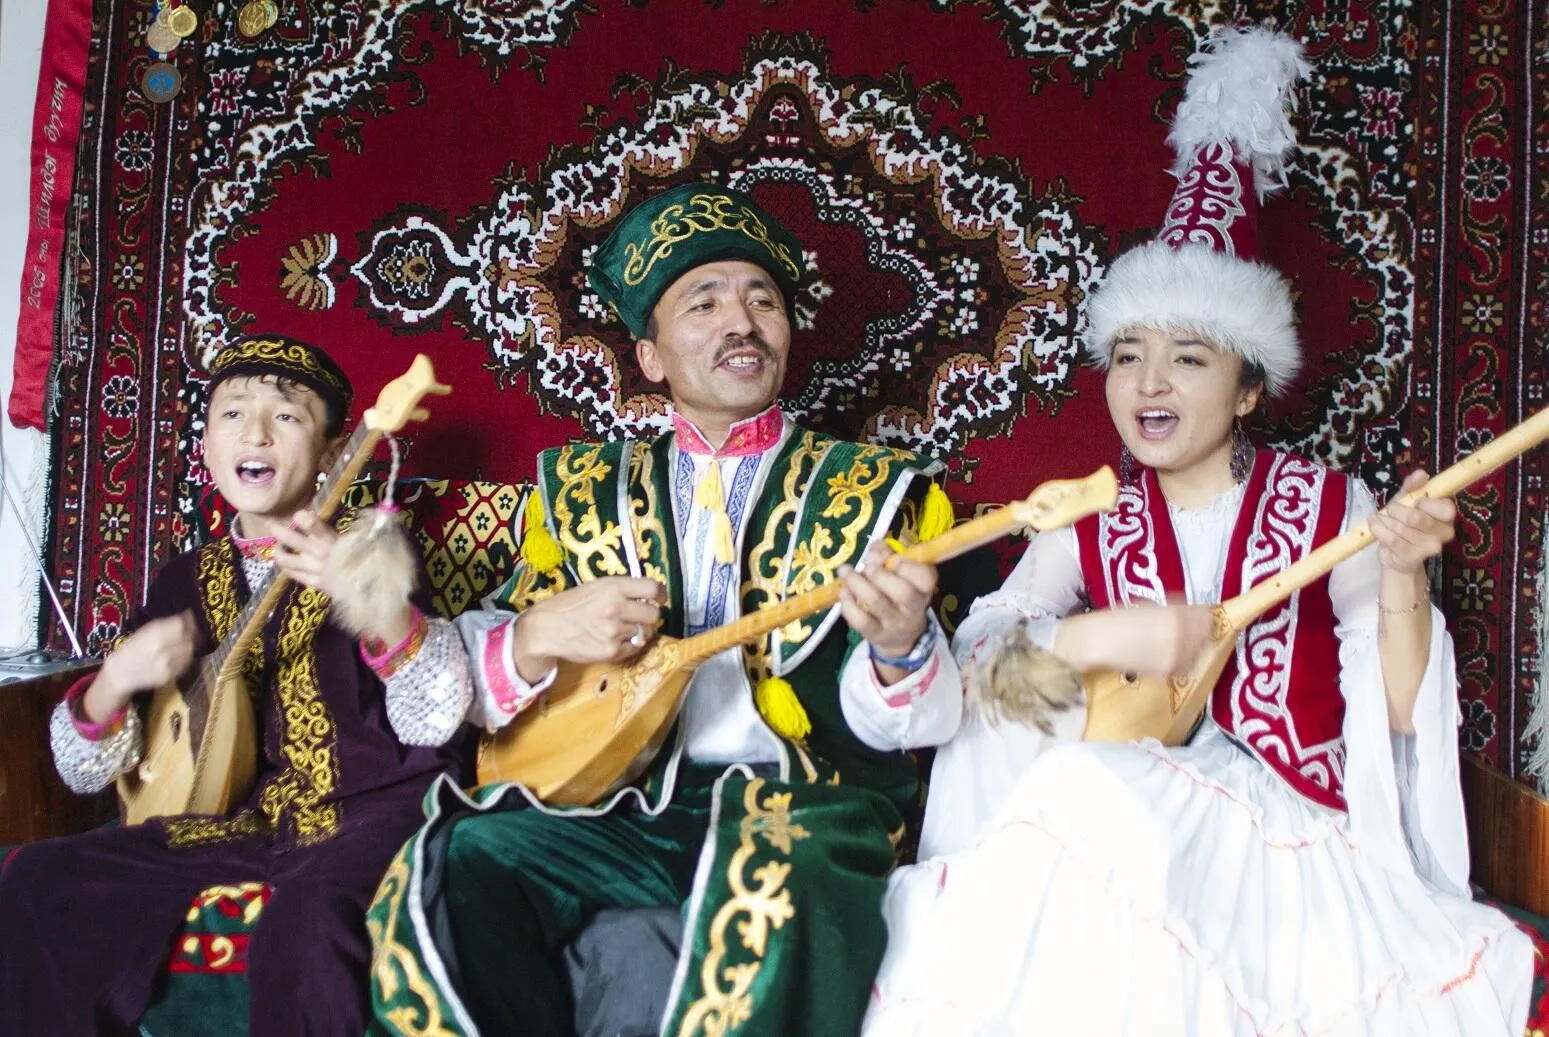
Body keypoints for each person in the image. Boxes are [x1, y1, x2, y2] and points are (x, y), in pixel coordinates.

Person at [862, 26, 1535, 1036]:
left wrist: (1400, 573)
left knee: (1088, 800)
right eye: (1128, 354)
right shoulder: (1085, 513)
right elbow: (984, 676)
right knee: (1074, 792)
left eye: (1187, 358)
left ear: (1248, 387)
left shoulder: (1331, 505)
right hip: (1121, 805)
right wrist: (1094, 635)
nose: (1149, 382)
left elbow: (1398, 711)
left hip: (1284, 836)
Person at [366, 181, 965, 1037]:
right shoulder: (585, 490)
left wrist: (900, 647)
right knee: (463, 857)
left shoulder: (868, 490)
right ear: (650, 357)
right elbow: (453, 694)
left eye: (763, 300)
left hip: (799, 804)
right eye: (704, 302)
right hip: (618, 810)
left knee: (769, 887)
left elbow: (920, 723)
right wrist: (539, 633)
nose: (741, 322)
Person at [0, 335, 473, 1037]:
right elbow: (84, 770)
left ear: (333, 451)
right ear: (206, 448)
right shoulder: (186, 579)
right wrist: (116, 680)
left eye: (286, 416)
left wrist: (371, 602)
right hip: (247, 823)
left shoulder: (375, 548)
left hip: (376, 813)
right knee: (37, 878)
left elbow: (438, 713)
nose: (255, 432)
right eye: (232, 413)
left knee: (305, 924)